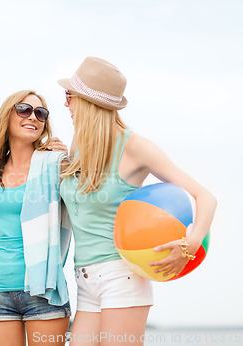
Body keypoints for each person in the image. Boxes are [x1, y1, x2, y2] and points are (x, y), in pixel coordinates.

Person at [58, 57, 217, 346]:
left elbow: (206, 197)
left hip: (121, 277)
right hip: (83, 278)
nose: (65, 104)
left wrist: (189, 245)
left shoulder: (134, 147)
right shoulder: (79, 145)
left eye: (69, 97)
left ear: (89, 102)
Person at [0, 90, 72, 346]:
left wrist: (70, 163)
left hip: (43, 290)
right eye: (24, 109)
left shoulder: (54, 163)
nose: (33, 117)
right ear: (7, 115)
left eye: (40, 113)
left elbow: (83, 204)